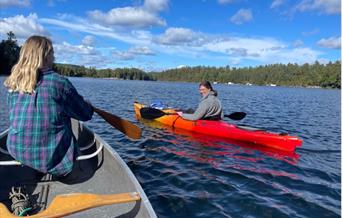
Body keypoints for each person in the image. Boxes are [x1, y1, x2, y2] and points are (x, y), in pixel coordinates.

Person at [3, 35, 94, 177]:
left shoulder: (13, 83)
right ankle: (53, 165)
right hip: (53, 161)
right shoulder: (59, 83)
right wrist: (88, 105)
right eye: (52, 54)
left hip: (17, 151)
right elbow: (86, 114)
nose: (54, 58)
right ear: (45, 55)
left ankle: (32, 164)